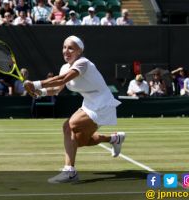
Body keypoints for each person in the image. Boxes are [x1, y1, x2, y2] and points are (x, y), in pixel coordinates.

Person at [24, 35, 125, 183]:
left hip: (102, 103)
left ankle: (69, 171)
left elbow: (62, 79)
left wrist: (36, 84)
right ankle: (115, 138)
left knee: (68, 126)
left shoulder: (83, 63)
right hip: (89, 103)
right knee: (80, 141)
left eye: (71, 48)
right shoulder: (65, 67)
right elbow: (57, 89)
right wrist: (41, 93)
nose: (66, 51)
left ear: (79, 51)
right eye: (64, 47)